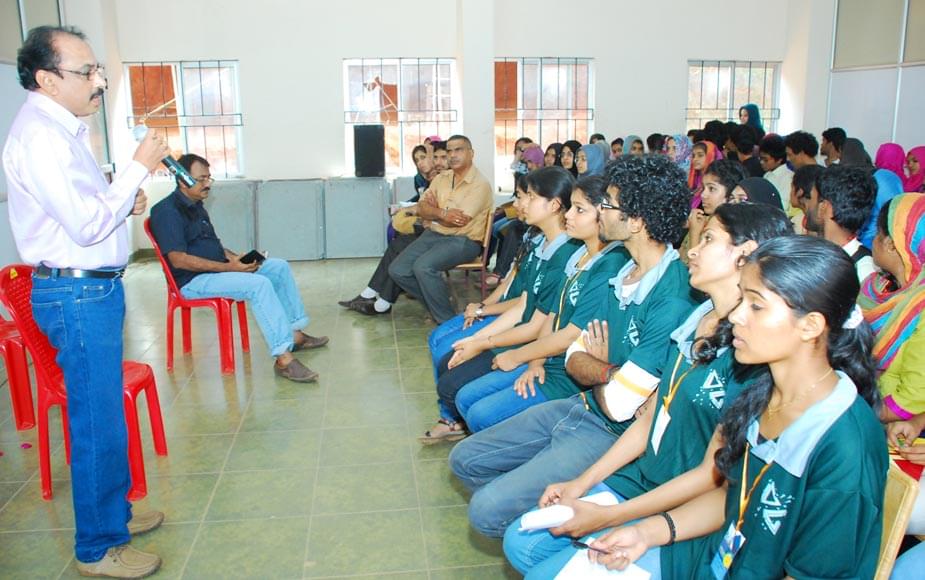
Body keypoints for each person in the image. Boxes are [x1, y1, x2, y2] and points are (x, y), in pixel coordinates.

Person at [502, 203, 793, 578]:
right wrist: (583, 482)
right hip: (643, 477)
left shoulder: (754, 348)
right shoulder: (698, 316)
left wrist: (608, 517)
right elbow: (653, 414)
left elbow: (714, 478)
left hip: (686, 505)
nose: (692, 249)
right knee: (520, 543)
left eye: (707, 239)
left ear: (745, 253)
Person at [589, 235, 887, 580]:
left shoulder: (846, 447)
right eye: (741, 298)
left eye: (756, 306)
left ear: (811, 326)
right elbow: (733, 497)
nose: (737, 316)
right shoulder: (762, 391)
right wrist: (645, 532)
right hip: (715, 557)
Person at [448, 154, 694, 538]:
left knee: (486, 510)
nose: (600, 213)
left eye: (607, 205)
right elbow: (575, 355)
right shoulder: (626, 273)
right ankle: (532, 505)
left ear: (637, 221)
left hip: (612, 431)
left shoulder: (671, 295)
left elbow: (620, 403)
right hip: (581, 403)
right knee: (465, 458)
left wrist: (596, 366)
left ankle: (540, 529)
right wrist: (605, 371)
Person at [3, 25, 169, 577]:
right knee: (97, 419)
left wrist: (123, 198)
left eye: (98, 70)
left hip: (90, 287)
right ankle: (98, 546)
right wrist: (138, 169)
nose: (98, 82)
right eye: (86, 72)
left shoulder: (63, 129)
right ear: (47, 79)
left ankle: (114, 515)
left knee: (105, 417)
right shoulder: (41, 137)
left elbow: (89, 208)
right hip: (76, 292)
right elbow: (86, 222)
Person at [421, 167, 580, 441]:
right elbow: (521, 301)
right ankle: (454, 420)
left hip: (529, 342)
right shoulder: (540, 242)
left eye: (528, 196)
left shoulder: (566, 256)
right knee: (443, 347)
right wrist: (479, 329)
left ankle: (465, 426)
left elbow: (537, 321)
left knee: (454, 381)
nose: (520, 203)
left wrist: (482, 341)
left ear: (554, 204)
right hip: (517, 328)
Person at [150, 154, 328, 382]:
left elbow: (212, 245)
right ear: (183, 180)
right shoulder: (166, 212)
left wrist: (237, 259)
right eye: (201, 179)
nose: (208, 184)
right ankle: (283, 359)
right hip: (193, 281)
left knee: (277, 267)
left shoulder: (196, 206)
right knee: (259, 285)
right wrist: (228, 269)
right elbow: (178, 259)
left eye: (209, 178)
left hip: (218, 270)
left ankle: (295, 334)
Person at [427, 175, 537, 372]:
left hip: (512, 318)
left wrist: (482, 312)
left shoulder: (552, 250)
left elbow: (524, 303)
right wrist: (482, 305)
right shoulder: (530, 235)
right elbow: (507, 283)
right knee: (435, 339)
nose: (517, 204)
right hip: (499, 310)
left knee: (446, 354)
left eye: (523, 197)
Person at [388, 135, 493, 323]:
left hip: (464, 241)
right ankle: (440, 300)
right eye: (450, 150)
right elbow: (421, 207)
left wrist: (433, 213)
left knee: (423, 267)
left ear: (471, 153)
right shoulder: (441, 179)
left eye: (458, 150)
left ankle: (447, 321)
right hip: (435, 234)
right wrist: (442, 214)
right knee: (398, 269)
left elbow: (458, 221)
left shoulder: (480, 185)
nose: (453, 155)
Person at [340, 144, 434, 315]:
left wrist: (410, 211)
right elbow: (420, 201)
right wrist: (404, 207)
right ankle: (377, 299)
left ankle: (376, 300)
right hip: (430, 227)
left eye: (424, 157)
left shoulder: (442, 178)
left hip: (438, 232)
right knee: (398, 242)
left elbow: (431, 208)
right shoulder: (423, 178)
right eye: (417, 160)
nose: (420, 163)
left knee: (400, 247)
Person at [859, 193, 925, 424]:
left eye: (877, 233)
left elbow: (913, 395)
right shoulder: (875, 287)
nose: (873, 240)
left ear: (890, 243)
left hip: (895, 425)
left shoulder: (921, 305)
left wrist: (854, 418)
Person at [801, 165, 877, 281]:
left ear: (824, 208)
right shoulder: (817, 253)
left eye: (810, 198)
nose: (806, 206)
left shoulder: (863, 271)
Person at [841, 137, 904, 249]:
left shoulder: (880, 178)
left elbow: (894, 211)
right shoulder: (886, 177)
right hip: (883, 241)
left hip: (876, 241)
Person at [686, 159, 748, 253]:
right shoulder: (703, 221)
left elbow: (697, 266)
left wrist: (694, 233)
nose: (703, 195)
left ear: (731, 193)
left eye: (711, 188)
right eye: (703, 188)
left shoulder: (730, 234)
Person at [758, 134, 794, 214]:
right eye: (760, 158)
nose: (761, 162)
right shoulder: (767, 175)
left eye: (765, 160)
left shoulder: (789, 178)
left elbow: (782, 206)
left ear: (779, 160)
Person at [687, 140, 720, 208]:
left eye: (700, 155)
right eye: (693, 156)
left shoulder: (717, 181)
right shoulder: (695, 180)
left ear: (711, 155)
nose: (695, 159)